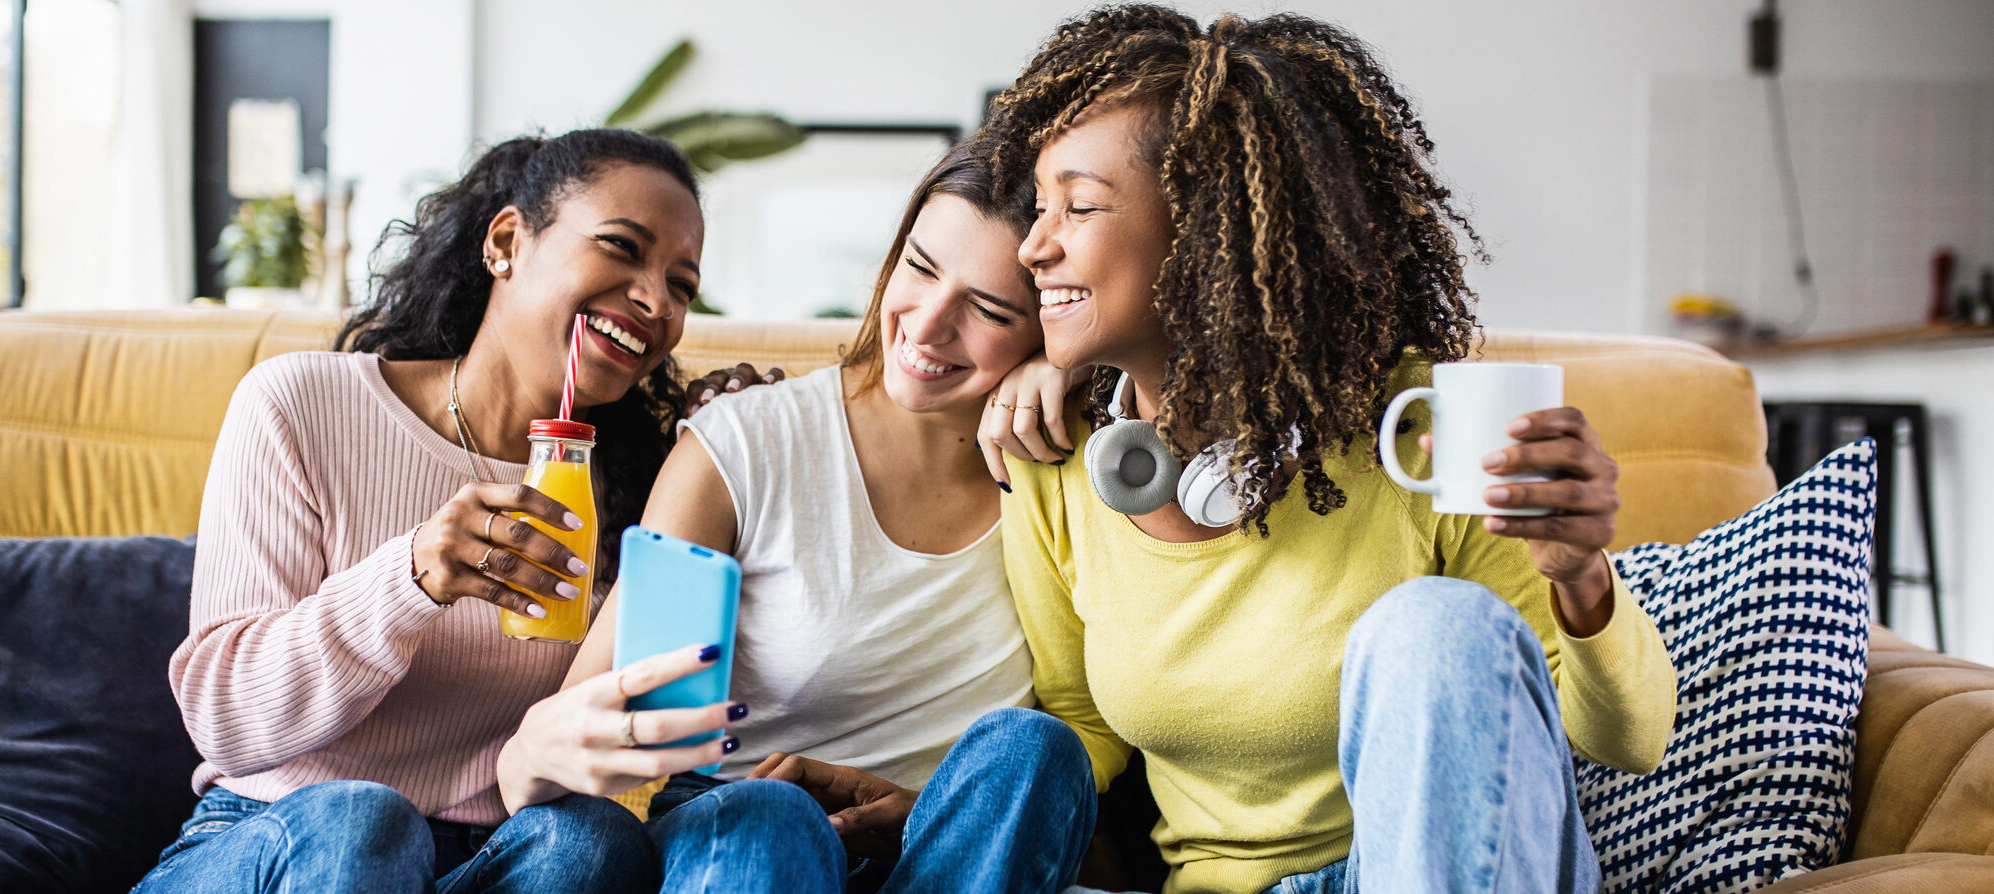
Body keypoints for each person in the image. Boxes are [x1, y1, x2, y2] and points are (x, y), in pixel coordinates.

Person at [972, 8, 1677, 893]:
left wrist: (1579, 576)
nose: (1033, 247)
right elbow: (1081, 723)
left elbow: (1628, 742)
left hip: (1433, 870)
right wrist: (938, 808)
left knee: (1432, 624)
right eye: (1038, 207)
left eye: (1077, 206)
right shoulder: (1052, 454)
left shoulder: (1424, 429)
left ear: (1207, 230)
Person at [135, 129, 744, 894]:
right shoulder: (300, 405)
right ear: (506, 242)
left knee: (588, 842)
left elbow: (668, 718)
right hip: (279, 837)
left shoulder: (647, 485)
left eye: (681, 286)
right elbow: (224, 721)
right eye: (622, 247)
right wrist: (411, 576)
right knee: (361, 821)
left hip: (488, 861)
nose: (656, 301)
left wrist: (734, 461)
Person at [496, 142, 1097, 893]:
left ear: (1048, 319)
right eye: (919, 267)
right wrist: (541, 756)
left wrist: (1077, 362)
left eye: (988, 309)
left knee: (1033, 749)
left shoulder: (1074, 470)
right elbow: (584, 724)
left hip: (943, 859)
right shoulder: (745, 445)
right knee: (774, 816)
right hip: (742, 835)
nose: (926, 327)